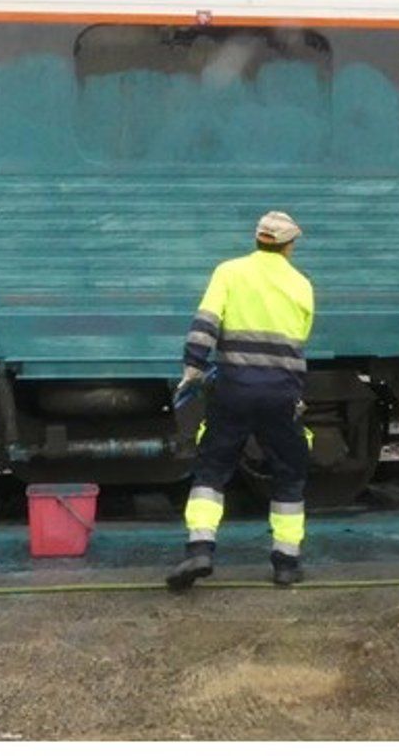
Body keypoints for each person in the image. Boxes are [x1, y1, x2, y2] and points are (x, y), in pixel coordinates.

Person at [167, 211, 315, 590]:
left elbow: (205, 323)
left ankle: (199, 549)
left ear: (258, 239)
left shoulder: (229, 272)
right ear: (290, 244)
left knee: (212, 469)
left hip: (233, 389)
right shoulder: (302, 285)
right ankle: (286, 562)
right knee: (289, 472)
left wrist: (194, 367)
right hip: (281, 392)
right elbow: (298, 343)